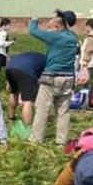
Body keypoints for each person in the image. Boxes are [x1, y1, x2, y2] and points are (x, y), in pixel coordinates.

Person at [29, 10, 80, 145]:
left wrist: (34, 20)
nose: (48, 31)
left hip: (51, 77)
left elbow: (33, 31)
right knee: (64, 111)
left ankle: (36, 140)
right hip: (68, 78)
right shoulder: (73, 37)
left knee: (42, 109)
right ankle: (61, 141)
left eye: (50, 28)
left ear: (58, 27)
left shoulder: (56, 37)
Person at [5, 51, 46, 126]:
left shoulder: (36, 56)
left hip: (10, 67)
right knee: (28, 101)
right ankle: (27, 127)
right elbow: (42, 80)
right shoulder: (47, 62)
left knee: (14, 92)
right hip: (26, 70)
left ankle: (11, 117)